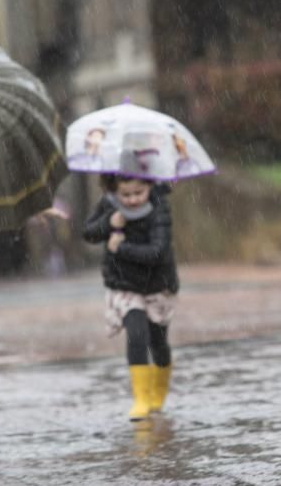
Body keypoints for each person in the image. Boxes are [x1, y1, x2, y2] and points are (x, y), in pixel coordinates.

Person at [83, 175, 178, 421]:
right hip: (124, 284)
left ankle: (159, 390)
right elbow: (89, 233)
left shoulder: (159, 207)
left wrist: (120, 247)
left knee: (158, 342)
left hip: (157, 285)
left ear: (149, 186)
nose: (133, 199)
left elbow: (157, 251)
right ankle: (141, 398)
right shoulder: (109, 204)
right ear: (115, 191)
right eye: (126, 195)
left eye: (139, 193)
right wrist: (109, 222)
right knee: (137, 334)